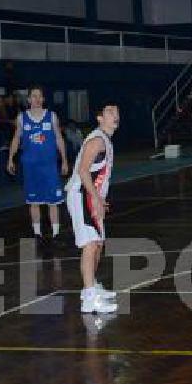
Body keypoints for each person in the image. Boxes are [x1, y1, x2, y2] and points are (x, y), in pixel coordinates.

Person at [65, 102, 119, 314]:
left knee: (98, 244)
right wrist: (96, 198)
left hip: (91, 195)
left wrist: (99, 198)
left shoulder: (106, 140)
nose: (115, 115)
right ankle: (89, 298)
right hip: (81, 195)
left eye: (116, 112)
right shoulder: (97, 140)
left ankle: (92, 286)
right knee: (90, 245)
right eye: (109, 112)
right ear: (99, 118)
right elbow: (83, 171)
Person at [7, 85, 69, 247]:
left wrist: (64, 159)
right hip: (30, 166)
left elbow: (59, 139)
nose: (36, 99)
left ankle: (56, 234)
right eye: (33, 96)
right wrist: (10, 158)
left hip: (49, 166)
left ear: (43, 99)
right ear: (28, 100)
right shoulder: (21, 118)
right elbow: (15, 139)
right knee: (33, 201)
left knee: (53, 201)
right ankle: (37, 233)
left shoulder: (51, 116)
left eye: (39, 96)